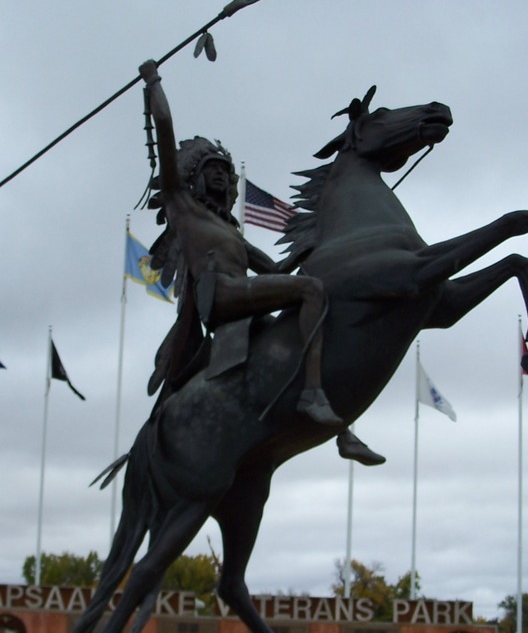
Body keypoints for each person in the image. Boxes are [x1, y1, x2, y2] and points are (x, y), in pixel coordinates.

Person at [139, 60, 385, 466]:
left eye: (224, 171)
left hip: (244, 301)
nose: (220, 176)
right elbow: (165, 129)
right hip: (219, 296)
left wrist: (312, 252)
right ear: (194, 178)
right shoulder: (183, 208)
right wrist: (153, 81)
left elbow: (274, 272)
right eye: (211, 170)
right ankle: (313, 396)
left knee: (305, 307)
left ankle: (341, 431)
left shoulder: (230, 231)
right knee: (310, 292)